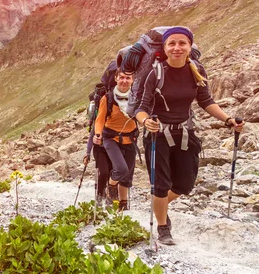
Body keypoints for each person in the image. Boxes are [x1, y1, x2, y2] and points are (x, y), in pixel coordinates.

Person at [135, 26, 245, 245]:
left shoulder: (197, 70)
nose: (177, 47)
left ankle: (159, 204)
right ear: (165, 48)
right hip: (159, 135)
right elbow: (141, 107)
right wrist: (145, 121)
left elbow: (206, 101)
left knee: (185, 185)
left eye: (182, 43)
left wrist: (227, 119)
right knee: (160, 184)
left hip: (185, 132)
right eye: (172, 43)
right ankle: (163, 226)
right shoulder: (155, 72)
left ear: (189, 46)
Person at [94, 71, 138, 210]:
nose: (124, 81)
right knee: (121, 168)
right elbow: (100, 119)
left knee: (127, 176)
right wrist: (97, 134)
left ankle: (122, 206)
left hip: (130, 139)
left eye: (128, 78)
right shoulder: (108, 98)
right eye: (122, 77)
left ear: (133, 80)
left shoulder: (137, 96)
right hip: (111, 138)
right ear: (116, 79)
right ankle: (111, 186)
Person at [83, 129, 113, 204]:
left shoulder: (115, 122)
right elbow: (91, 139)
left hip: (111, 149)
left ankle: (109, 194)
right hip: (99, 149)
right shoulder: (98, 123)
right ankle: (99, 195)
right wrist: (88, 153)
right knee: (104, 172)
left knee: (111, 172)